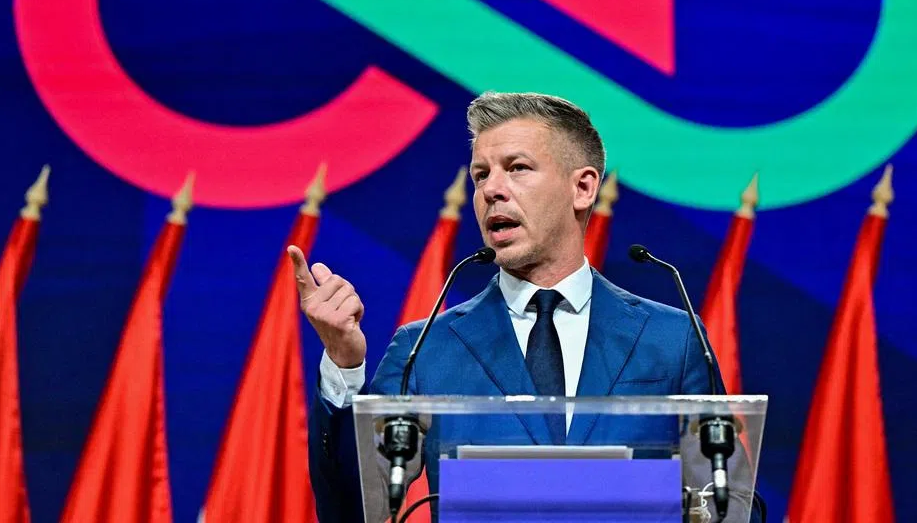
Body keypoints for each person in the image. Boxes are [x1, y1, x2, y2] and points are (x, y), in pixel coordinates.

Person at [291, 91, 745, 522]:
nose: (492, 189)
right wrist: (344, 364)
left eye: (517, 168)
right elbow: (354, 510)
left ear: (583, 187)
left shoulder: (672, 339)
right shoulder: (424, 348)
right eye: (481, 175)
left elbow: (732, 501)